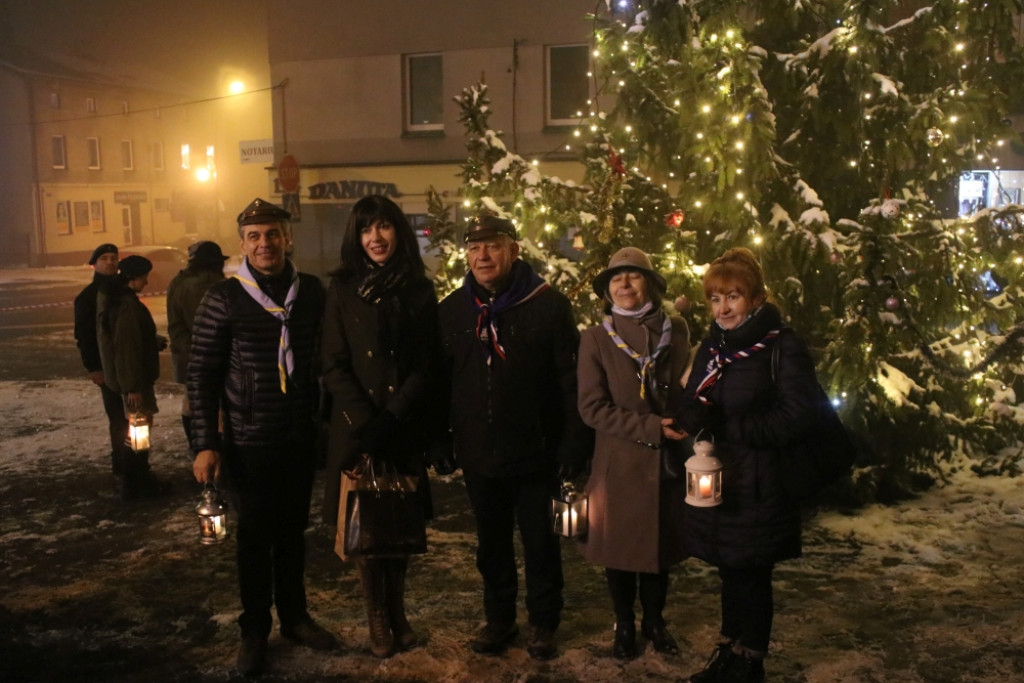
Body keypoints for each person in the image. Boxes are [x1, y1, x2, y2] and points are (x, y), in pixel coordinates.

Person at [188, 198, 336, 677]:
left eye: (272, 234)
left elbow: (326, 364)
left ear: (287, 238)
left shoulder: (311, 292)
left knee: (293, 535)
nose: (264, 243)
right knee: (253, 540)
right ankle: (254, 631)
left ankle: (295, 618)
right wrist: (205, 443)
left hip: (297, 439)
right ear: (242, 244)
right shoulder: (223, 298)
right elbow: (202, 377)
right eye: (254, 236)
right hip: (247, 444)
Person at [436, 214, 591, 661]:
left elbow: (570, 382)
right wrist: (440, 440)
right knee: (492, 544)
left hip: (535, 451)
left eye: (493, 245)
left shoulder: (548, 305)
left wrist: (573, 443)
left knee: (540, 544)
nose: (483, 255)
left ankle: (544, 621)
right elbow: (440, 382)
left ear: (513, 250)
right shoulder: (453, 310)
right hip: (479, 451)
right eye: (475, 247)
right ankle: (499, 619)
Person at [674, 247, 818, 683]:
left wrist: (732, 427)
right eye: (715, 299)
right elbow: (692, 398)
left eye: (733, 297)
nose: (724, 308)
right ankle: (728, 650)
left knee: (751, 573)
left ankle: (750, 660)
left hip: (761, 483)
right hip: (721, 481)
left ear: (756, 298)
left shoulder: (781, 346)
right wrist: (692, 416)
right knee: (730, 568)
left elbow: (798, 414)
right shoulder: (713, 346)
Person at [320, 195, 437, 658]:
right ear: (357, 236)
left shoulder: (417, 288)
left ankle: (399, 610)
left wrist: (393, 417)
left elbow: (426, 365)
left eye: (384, 227)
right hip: (357, 426)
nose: (376, 237)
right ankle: (376, 616)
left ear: (398, 232)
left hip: (400, 425)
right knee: (365, 527)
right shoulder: (343, 288)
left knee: (399, 524)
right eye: (367, 229)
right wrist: (367, 422)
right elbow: (332, 363)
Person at [576, 246, 691, 660]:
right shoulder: (595, 339)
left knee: (659, 552)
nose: (624, 284)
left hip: (665, 466)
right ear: (608, 291)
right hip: (619, 465)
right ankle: (624, 623)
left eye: (634, 276)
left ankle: (655, 620)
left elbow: (684, 387)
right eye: (616, 279)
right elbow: (591, 408)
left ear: (651, 285)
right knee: (621, 554)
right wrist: (647, 427)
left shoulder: (675, 330)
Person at [96, 254, 170, 499]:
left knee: (138, 431)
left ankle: (137, 477)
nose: (147, 282)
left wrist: (151, 341)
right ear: (134, 277)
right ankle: (136, 480)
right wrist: (132, 388)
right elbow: (126, 349)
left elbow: (131, 341)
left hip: (133, 382)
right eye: (144, 277)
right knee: (138, 432)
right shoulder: (127, 305)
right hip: (135, 384)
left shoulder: (120, 301)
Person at [74, 243, 131, 478]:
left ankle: (137, 463)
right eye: (104, 258)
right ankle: (122, 466)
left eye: (114, 258)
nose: (110, 262)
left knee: (137, 418)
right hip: (107, 368)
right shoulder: (87, 297)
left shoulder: (123, 291)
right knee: (118, 419)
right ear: (94, 263)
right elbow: (84, 336)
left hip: (129, 364)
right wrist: (94, 367)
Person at [166, 241, 228, 444]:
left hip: (186, 357)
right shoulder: (212, 286)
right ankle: (211, 450)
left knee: (191, 403)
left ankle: (196, 448)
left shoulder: (178, 282)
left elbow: (176, 325)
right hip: (211, 357)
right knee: (214, 406)